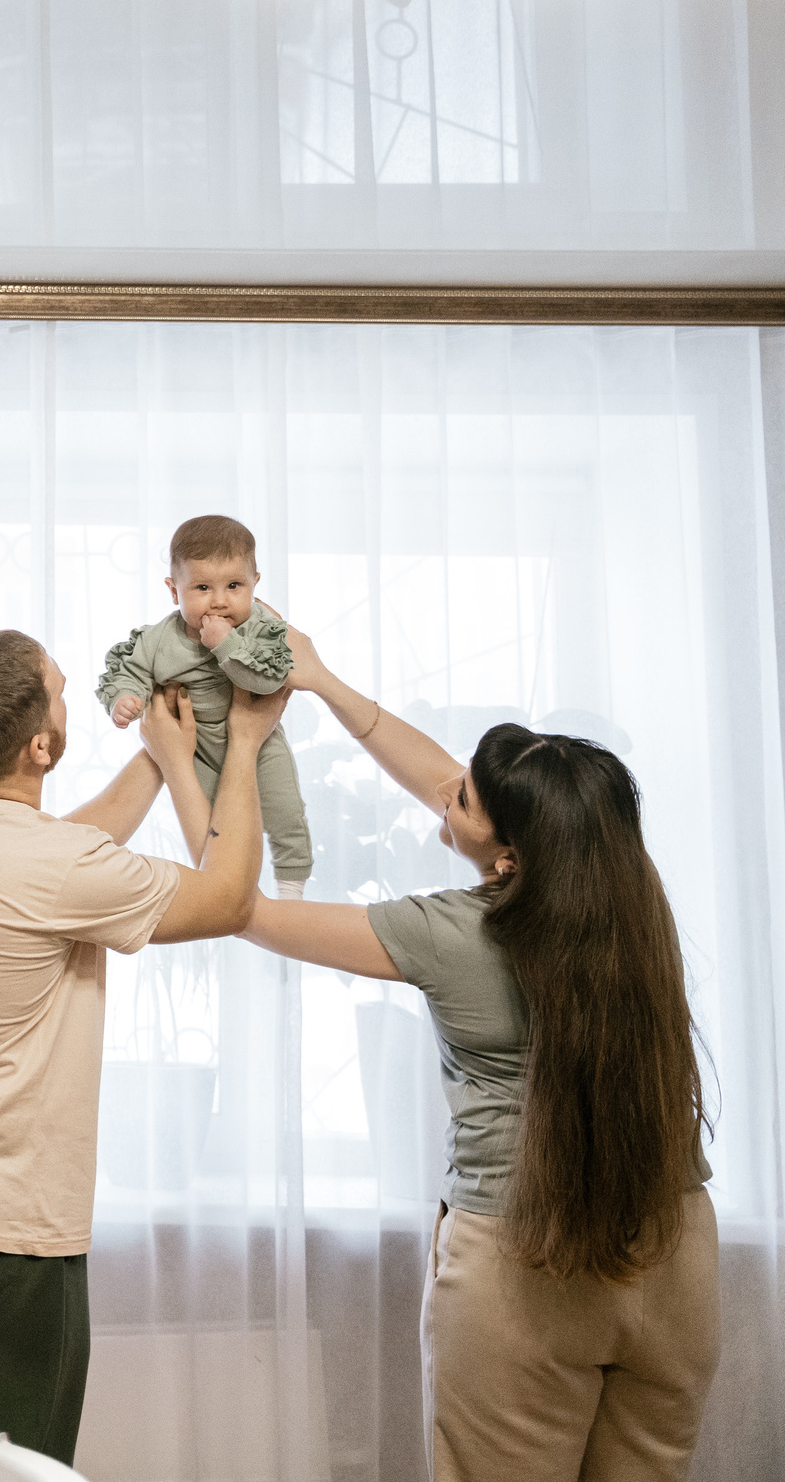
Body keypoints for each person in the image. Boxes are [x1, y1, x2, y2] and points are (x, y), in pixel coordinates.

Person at [158, 626, 716, 1482]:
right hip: (673, 1256)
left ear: (510, 857)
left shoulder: (454, 934)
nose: (443, 793)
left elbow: (237, 906)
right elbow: (459, 790)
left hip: (522, 1264)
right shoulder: (632, 902)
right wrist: (323, 682)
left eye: (462, 800)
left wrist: (206, 758)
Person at [0, 628, 289, 1464]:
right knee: (10, 1476)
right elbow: (228, 899)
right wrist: (247, 743)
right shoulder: (51, 868)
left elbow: (54, 858)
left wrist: (158, 758)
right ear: (39, 748)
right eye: (61, 690)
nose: (71, 690)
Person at [97, 514, 310, 898]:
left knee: (286, 812)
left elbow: (268, 681)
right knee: (219, 828)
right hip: (197, 750)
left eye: (234, 586)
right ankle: (240, 896)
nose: (219, 600)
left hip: (261, 742)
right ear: (174, 591)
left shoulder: (261, 628)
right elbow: (129, 669)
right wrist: (124, 698)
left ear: (254, 583)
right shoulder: (159, 640)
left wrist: (226, 644)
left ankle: (291, 886)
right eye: (202, 587)